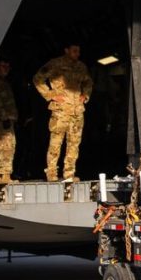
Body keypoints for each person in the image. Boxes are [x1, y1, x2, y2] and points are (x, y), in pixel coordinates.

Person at [33, 43, 93, 182]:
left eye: (78, 51)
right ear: (66, 50)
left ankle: (69, 174)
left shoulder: (81, 66)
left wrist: (85, 95)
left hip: (77, 111)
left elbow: (88, 82)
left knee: (74, 144)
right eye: (74, 51)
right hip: (60, 111)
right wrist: (50, 94)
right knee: (56, 143)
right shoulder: (55, 64)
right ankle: (52, 173)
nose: (77, 54)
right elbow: (38, 79)